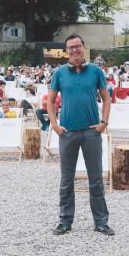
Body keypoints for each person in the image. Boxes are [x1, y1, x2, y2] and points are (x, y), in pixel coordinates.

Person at [48, 34, 113, 236]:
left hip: (91, 132)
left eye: (77, 46)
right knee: (67, 179)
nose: (74, 50)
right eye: (70, 47)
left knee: (95, 178)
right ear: (66, 50)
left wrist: (103, 123)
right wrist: (55, 126)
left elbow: (106, 98)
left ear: (84, 47)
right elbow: (50, 101)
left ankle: (101, 221)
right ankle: (65, 221)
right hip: (67, 132)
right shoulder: (59, 73)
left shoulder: (95, 71)